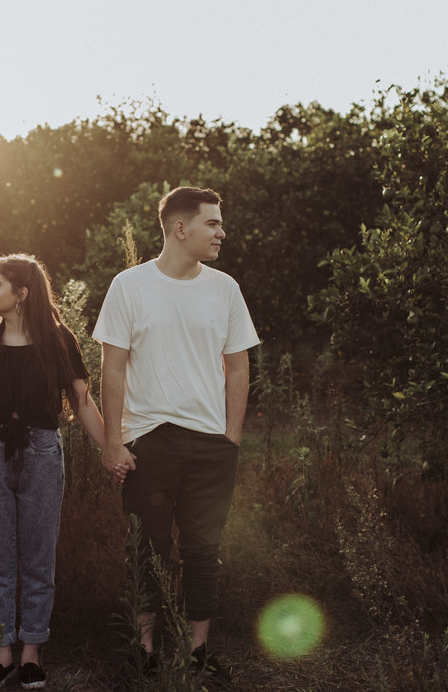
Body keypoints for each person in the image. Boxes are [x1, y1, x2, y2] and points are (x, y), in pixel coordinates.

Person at [93, 186, 260, 684]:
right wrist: (114, 440)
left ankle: (199, 651)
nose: (222, 233)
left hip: (211, 444)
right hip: (150, 440)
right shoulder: (129, 286)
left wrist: (231, 435)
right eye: (213, 224)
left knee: (204, 550)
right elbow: (113, 369)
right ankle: (143, 649)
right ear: (180, 228)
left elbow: (238, 368)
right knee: (146, 547)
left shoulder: (225, 288)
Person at [0, 253, 116, 690]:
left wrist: (111, 451)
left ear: (21, 294)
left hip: (42, 452)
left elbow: (82, 402)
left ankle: (31, 653)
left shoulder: (58, 341)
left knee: (39, 557)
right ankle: (3, 652)